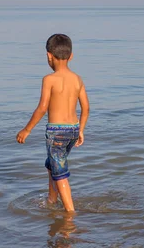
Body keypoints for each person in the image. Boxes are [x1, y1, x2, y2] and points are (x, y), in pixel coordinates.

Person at [16, 34, 90, 212]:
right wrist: (81, 130)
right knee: (53, 164)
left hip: (57, 132)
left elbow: (42, 108)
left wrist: (27, 130)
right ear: (71, 56)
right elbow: (86, 108)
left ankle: (70, 214)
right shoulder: (78, 79)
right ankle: (51, 199)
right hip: (72, 130)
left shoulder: (49, 79)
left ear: (49, 56)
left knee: (60, 173)